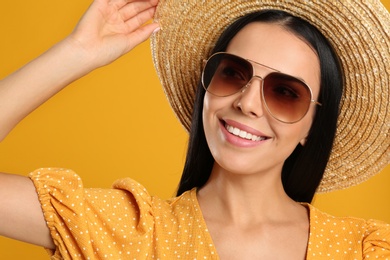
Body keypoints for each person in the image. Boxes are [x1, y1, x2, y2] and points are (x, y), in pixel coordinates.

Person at [0, 0, 389, 259]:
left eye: (285, 93)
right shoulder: (131, 232)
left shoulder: (366, 249)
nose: (247, 102)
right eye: (232, 73)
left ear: (311, 127)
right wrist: (77, 52)